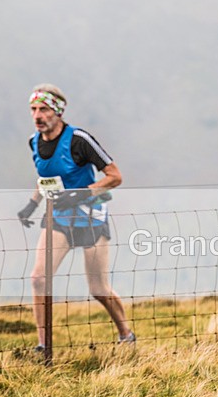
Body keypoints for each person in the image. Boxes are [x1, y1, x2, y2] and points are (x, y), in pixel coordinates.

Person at [16, 83, 135, 352]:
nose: (37, 116)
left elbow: (115, 177)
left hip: (90, 218)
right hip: (58, 218)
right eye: (33, 109)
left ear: (58, 111)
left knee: (98, 288)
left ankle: (126, 334)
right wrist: (31, 205)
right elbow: (45, 179)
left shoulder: (79, 140)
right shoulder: (34, 142)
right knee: (38, 278)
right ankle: (43, 345)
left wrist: (79, 194)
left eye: (44, 109)